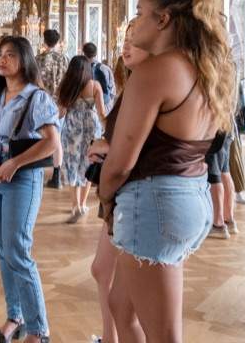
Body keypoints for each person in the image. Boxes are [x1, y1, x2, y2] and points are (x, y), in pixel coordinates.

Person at [99, 0, 235, 342]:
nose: (134, 23)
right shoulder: (205, 69)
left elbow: (121, 162)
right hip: (192, 197)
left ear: (163, 20)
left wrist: (105, 196)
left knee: (165, 336)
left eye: (140, 13)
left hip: (155, 204)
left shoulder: (155, 71)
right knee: (120, 305)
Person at [0, 36, 61, 343]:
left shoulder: (35, 97)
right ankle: (15, 316)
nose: (2, 60)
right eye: (0, 54)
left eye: (10, 55)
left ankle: (39, 329)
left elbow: (51, 143)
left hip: (21, 180)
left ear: (24, 60)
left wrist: (15, 163)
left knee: (18, 251)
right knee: (2, 252)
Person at [87, 24, 151, 343]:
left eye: (133, 41)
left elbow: (144, 145)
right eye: (124, 40)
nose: (125, 47)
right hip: (116, 194)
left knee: (128, 301)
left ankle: (112, 336)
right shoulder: (131, 87)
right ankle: (108, 336)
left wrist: (108, 148)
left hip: (129, 193)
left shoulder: (148, 88)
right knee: (101, 270)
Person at [56, 56, 106, 223]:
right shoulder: (95, 86)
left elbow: (60, 113)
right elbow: (102, 114)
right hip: (91, 129)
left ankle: (75, 204)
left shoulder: (66, 87)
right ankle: (83, 204)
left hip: (72, 129)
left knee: (72, 164)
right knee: (88, 163)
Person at [35, 29, 69, 189]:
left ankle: (37, 173)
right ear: (58, 41)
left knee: (38, 138)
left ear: (44, 40)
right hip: (60, 105)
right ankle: (57, 176)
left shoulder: (38, 59)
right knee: (58, 139)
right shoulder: (64, 59)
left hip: (41, 103)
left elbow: (32, 82)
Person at [83, 42, 115, 111]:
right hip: (105, 105)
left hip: (89, 107)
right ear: (96, 53)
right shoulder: (105, 68)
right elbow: (112, 91)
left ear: (84, 53)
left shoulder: (81, 69)